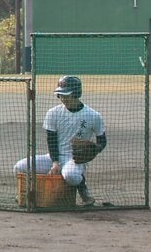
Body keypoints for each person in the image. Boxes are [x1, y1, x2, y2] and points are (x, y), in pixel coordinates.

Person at [14, 74, 107, 206]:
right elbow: (51, 140)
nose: (63, 98)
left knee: (71, 175)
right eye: (60, 95)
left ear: (76, 93)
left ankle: (84, 192)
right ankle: (27, 193)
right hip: (53, 157)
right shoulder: (53, 113)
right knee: (19, 167)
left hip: (74, 159)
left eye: (66, 95)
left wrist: (96, 149)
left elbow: (102, 140)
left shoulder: (93, 115)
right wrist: (55, 162)